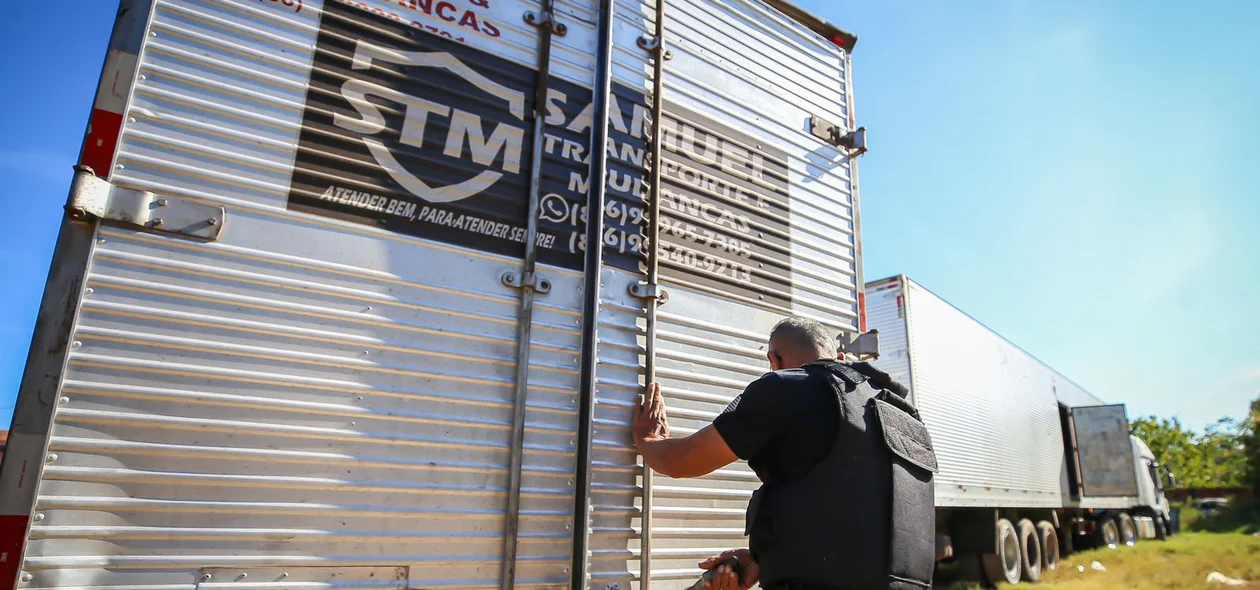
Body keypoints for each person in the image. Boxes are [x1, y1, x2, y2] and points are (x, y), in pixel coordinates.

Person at [633, 317, 936, 590]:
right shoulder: (902, 414)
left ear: (773, 359)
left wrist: (649, 438)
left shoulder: (788, 386)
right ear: (840, 359)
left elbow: (680, 461)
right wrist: (763, 560)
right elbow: (859, 508)